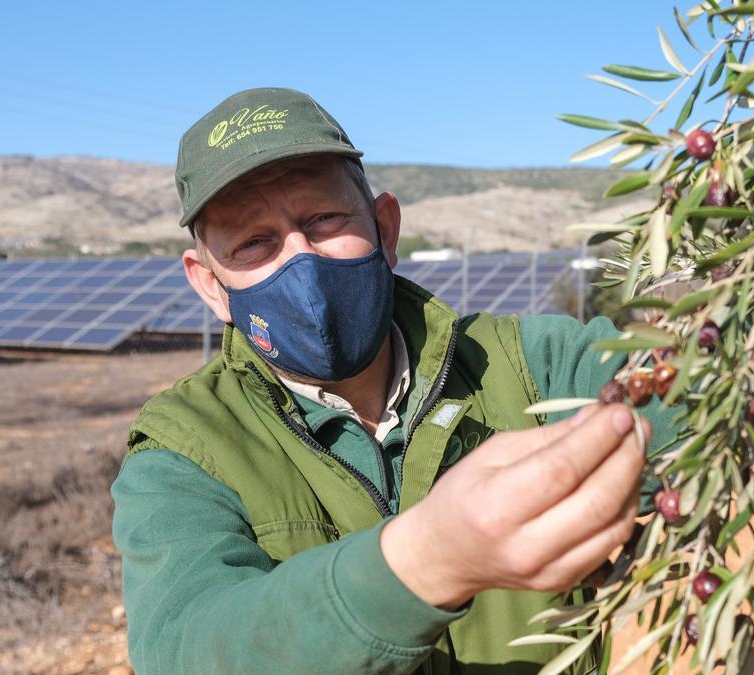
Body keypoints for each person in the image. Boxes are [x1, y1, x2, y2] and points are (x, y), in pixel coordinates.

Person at [111, 88, 683, 675]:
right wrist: (429, 561)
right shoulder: (184, 449)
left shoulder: (532, 364)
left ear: (386, 230)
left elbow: (713, 388)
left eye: (323, 219)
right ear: (210, 285)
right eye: (253, 243)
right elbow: (189, 646)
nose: (301, 259)